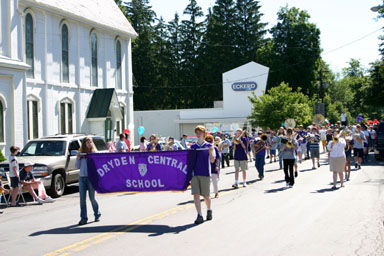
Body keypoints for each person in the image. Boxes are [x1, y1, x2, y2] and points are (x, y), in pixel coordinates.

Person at [190, 125, 215, 225]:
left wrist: (211, 151)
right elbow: (190, 161)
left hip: (205, 173)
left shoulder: (209, 146)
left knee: (206, 196)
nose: (198, 134)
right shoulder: (193, 147)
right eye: (197, 132)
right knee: (196, 194)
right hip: (195, 174)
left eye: (200, 132)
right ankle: (199, 215)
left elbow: (212, 160)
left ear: (204, 134)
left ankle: (209, 209)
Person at [76, 137, 101, 225]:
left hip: (91, 178)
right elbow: (77, 166)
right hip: (82, 178)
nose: (89, 144)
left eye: (90, 142)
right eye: (87, 142)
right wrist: (78, 157)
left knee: (92, 198)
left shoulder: (94, 153)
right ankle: (83, 218)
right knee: (82, 199)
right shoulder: (81, 153)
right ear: (84, 144)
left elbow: (97, 165)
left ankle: (97, 213)